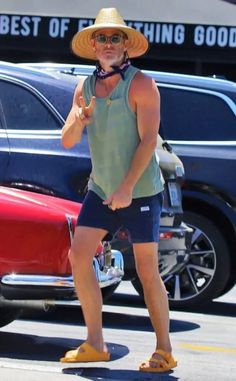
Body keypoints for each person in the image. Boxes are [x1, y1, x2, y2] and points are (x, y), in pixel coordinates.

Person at [60, 7, 177, 373]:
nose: (108, 43)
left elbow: (148, 142)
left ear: (125, 46)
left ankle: (164, 350)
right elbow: (66, 141)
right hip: (101, 189)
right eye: (102, 38)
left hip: (139, 190)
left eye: (115, 38)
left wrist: (127, 187)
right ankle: (95, 343)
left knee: (146, 271)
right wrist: (79, 120)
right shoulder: (85, 88)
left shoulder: (142, 84)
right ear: (94, 46)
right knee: (79, 256)